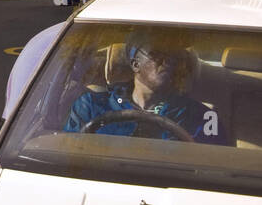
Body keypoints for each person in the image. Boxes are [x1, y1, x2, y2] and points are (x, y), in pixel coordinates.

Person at [65, 38, 227, 144]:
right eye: (157, 55)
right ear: (136, 65)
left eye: (174, 57)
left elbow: (214, 171)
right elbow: (70, 158)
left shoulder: (202, 117)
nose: (168, 62)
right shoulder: (90, 106)